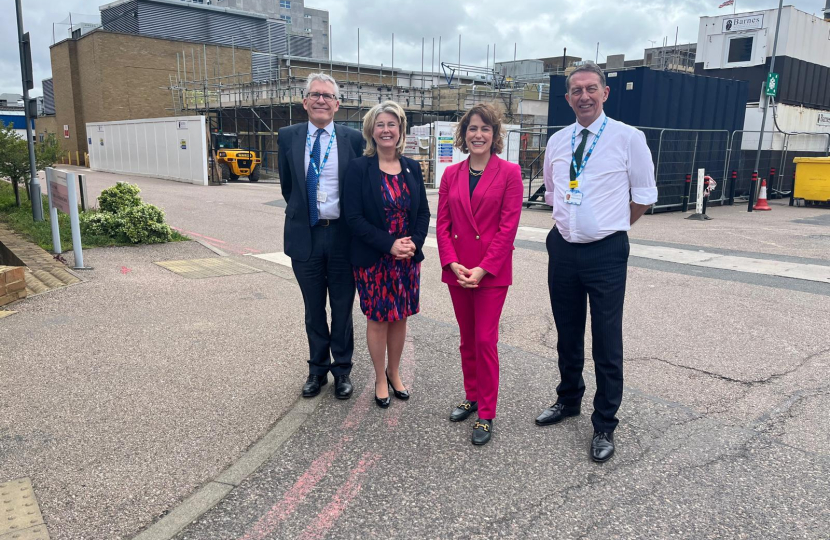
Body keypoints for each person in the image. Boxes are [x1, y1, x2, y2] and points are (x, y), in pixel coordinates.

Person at [536, 62, 658, 463]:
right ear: (568, 97)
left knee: (607, 340)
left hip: (606, 251)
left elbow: (643, 194)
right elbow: (554, 192)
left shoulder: (628, 138)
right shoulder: (558, 141)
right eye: (576, 90)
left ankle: (604, 422)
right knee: (567, 332)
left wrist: (613, 225)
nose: (584, 96)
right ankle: (568, 399)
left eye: (591, 89)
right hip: (563, 248)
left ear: (605, 93)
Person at [436, 103, 523, 446]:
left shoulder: (510, 173)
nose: (478, 135)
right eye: (472, 128)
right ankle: (471, 396)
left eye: (485, 129)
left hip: (490, 272)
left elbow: (508, 228)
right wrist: (451, 262)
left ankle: (486, 412)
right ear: (463, 134)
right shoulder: (450, 175)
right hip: (458, 270)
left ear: (495, 134)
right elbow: (442, 225)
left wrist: (484, 268)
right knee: (467, 338)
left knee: (485, 340)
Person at [278, 73, 365, 400]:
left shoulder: (353, 139)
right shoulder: (288, 136)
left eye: (328, 96)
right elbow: (289, 188)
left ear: (337, 104)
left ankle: (342, 370)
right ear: (304, 102)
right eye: (315, 95)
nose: (321, 100)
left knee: (342, 308)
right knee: (314, 309)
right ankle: (317, 369)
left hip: (343, 238)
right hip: (306, 237)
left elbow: (358, 188)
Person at [343, 101, 430, 408]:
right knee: (379, 319)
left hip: (406, 258)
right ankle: (380, 376)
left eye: (392, 124)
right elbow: (353, 218)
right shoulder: (358, 168)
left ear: (401, 130)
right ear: (371, 131)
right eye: (380, 125)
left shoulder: (412, 167)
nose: (386, 130)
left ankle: (395, 372)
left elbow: (422, 213)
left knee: (400, 317)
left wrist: (413, 244)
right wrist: (389, 244)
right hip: (374, 257)